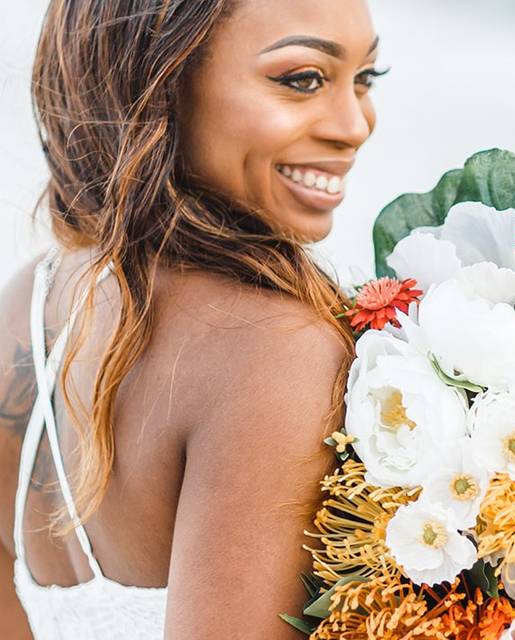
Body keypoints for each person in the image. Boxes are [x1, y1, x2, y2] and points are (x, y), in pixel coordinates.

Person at [0, 0, 383, 637]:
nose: (355, 124)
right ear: (162, 83)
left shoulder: (26, 302)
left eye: (367, 78)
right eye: (303, 79)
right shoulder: (275, 351)